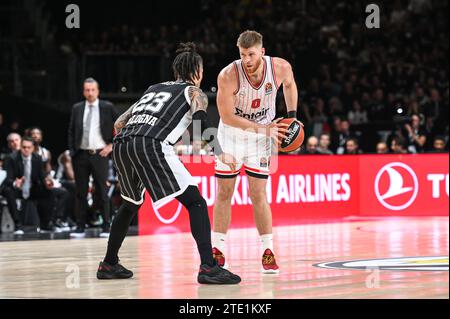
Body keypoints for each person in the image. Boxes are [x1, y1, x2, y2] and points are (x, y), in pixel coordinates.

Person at [97, 42, 241, 284]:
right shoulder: (195, 93)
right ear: (198, 71)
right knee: (196, 202)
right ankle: (208, 266)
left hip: (122, 143)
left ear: (176, 71)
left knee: (130, 205)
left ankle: (109, 263)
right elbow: (200, 123)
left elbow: (120, 122)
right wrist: (220, 153)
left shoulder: (154, 88)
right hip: (151, 143)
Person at [212, 30, 298, 274]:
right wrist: (264, 130)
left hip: (263, 135)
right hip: (232, 135)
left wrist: (291, 118)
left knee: (258, 194)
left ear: (262, 51)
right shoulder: (228, 75)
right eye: (242, 55)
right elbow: (227, 117)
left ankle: (267, 251)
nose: (247, 60)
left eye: (251, 54)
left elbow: (290, 86)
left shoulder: (280, 67)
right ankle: (217, 249)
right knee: (225, 191)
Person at [68, 78, 118, 238]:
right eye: (87, 90)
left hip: (99, 154)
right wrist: (72, 151)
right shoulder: (77, 108)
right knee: (81, 192)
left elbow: (120, 125)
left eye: (92, 90)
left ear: (98, 91)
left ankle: (106, 226)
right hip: (81, 154)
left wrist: (111, 145)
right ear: (83, 91)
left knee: (103, 191)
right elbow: (71, 130)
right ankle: (80, 227)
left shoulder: (107, 107)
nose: (89, 93)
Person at [2, 137, 56, 234]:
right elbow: (8, 178)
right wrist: (15, 183)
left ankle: (45, 225)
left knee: (49, 192)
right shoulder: (11, 158)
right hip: (16, 188)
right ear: (20, 147)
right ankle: (18, 225)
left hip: (31, 189)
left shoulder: (37, 158)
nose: (26, 149)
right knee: (8, 191)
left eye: (28, 147)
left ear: (32, 148)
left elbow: (41, 175)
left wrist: (47, 182)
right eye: (24, 147)